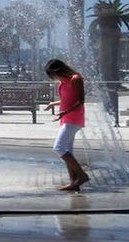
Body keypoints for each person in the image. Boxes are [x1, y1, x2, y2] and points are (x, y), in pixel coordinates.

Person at [43, 59, 90, 191]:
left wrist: (65, 112)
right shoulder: (62, 82)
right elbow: (67, 99)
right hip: (66, 118)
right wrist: (53, 104)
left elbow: (80, 100)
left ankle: (82, 175)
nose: (54, 77)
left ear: (59, 70)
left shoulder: (76, 78)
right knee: (68, 151)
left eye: (53, 74)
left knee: (59, 148)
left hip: (74, 118)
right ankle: (74, 183)